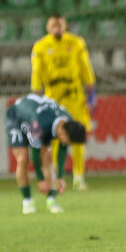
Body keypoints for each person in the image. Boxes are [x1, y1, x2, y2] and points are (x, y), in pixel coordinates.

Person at [30, 14, 96, 191]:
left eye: (60, 25)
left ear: (65, 26)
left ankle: (78, 177)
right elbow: (36, 72)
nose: (57, 28)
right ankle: (58, 175)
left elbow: (85, 67)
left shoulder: (76, 43)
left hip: (74, 96)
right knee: (56, 138)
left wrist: (91, 94)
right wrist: (37, 96)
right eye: (53, 25)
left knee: (78, 136)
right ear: (47, 27)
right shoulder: (41, 46)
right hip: (53, 98)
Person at [5, 93, 87, 214]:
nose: (68, 144)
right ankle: (27, 202)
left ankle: (51, 200)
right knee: (23, 159)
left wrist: (60, 177)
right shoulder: (40, 124)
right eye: (68, 142)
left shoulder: (68, 122)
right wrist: (41, 180)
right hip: (17, 118)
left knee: (47, 157)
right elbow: (35, 153)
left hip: (39, 120)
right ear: (62, 132)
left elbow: (62, 150)